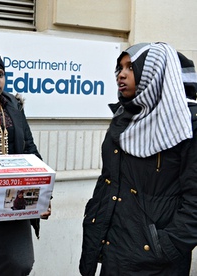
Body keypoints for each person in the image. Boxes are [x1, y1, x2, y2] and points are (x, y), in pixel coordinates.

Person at [79, 42, 197, 275]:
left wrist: (165, 246)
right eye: (119, 68)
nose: (121, 75)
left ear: (155, 72)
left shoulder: (188, 124)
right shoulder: (125, 117)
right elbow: (109, 183)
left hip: (156, 261)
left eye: (131, 67)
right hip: (114, 249)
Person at [0, 50, 51, 276]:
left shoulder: (14, 107)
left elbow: (30, 150)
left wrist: (43, 196)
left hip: (16, 202)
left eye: (1, 74)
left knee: (21, 262)